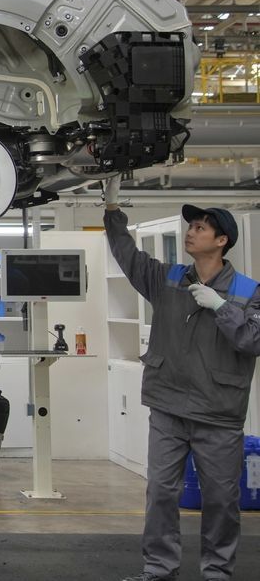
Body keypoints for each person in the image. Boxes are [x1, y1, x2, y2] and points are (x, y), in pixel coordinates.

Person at [103, 175, 260, 581]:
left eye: (200, 227)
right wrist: (112, 210)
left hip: (218, 413)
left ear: (221, 240)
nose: (190, 232)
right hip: (169, 406)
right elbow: (128, 256)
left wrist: (222, 306)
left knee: (222, 500)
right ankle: (159, 570)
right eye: (190, 226)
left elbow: (253, 340)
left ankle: (218, 573)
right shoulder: (170, 278)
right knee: (160, 493)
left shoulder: (248, 290)